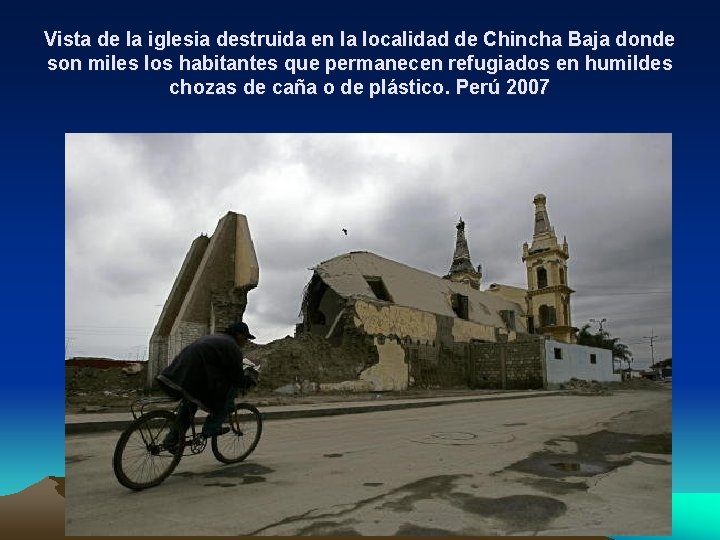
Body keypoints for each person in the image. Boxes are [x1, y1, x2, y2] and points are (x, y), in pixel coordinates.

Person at [156, 321, 256, 447]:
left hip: (177, 374)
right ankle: (211, 429)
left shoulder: (215, 338)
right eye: (246, 338)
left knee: (190, 405)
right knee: (227, 401)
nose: (247, 341)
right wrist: (247, 383)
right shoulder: (233, 347)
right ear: (239, 335)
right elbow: (236, 376)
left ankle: (171, 441)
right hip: (194, 378)